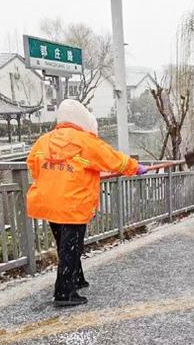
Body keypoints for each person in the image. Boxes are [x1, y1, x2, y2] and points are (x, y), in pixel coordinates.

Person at [26, 99, 147, 307]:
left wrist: (53, 180)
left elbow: (33, 166)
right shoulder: (86, 141)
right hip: (73, 203)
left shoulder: (43, 141)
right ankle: (64, 293)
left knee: (66, 246)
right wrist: (135, 167)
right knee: (71, 247)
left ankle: (76, 279)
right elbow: (112, 159)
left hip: (48, 202)